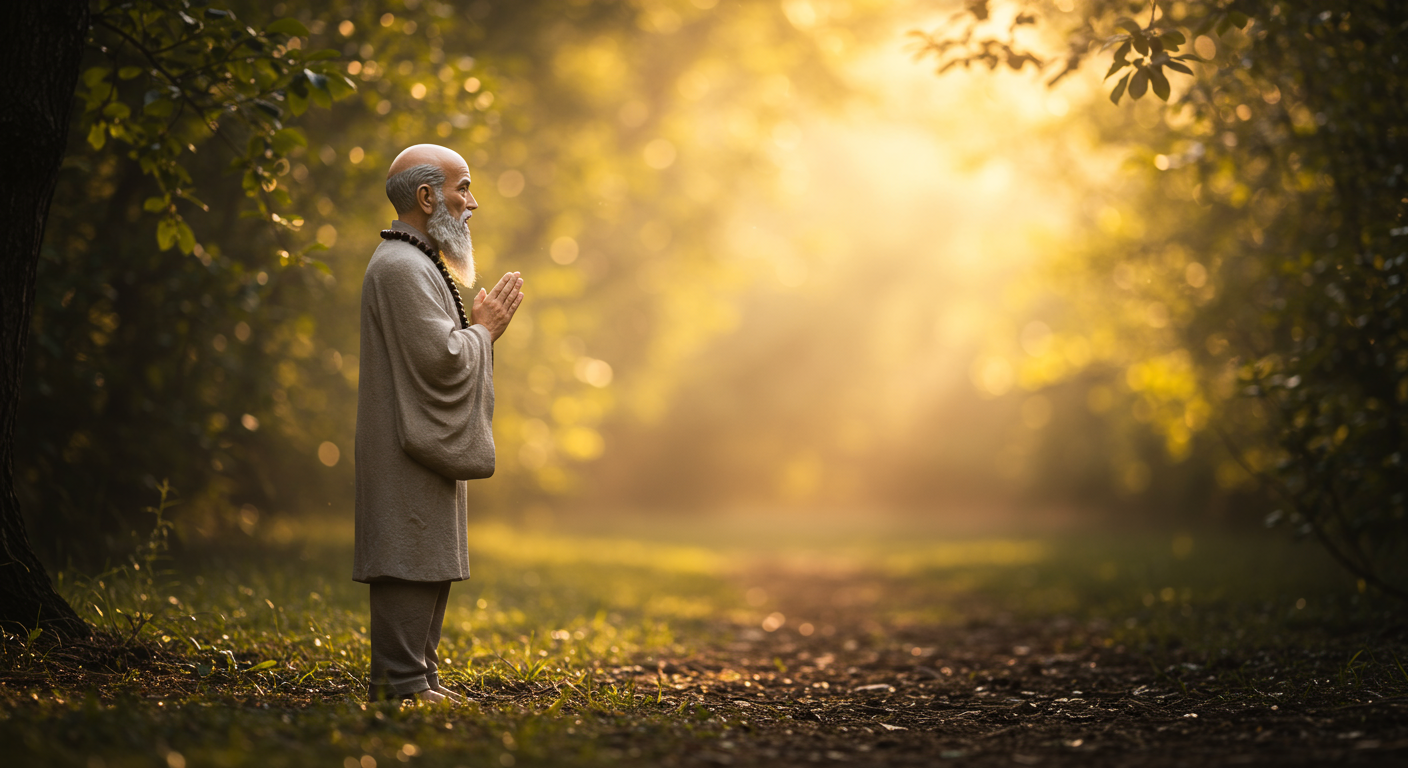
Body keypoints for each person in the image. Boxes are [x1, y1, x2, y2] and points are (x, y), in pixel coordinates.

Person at [353, 144, 524, 703]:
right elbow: (439, 361)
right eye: (463, 188)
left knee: (429, 551)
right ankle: (398, 681)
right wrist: (484, 331)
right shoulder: (401, 266)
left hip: (417, 440)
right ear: (426, 197)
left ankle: (418, 676)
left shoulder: (419, 262)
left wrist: (475, 332)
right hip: (404, 443)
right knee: (408, 548)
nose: (472, 202)